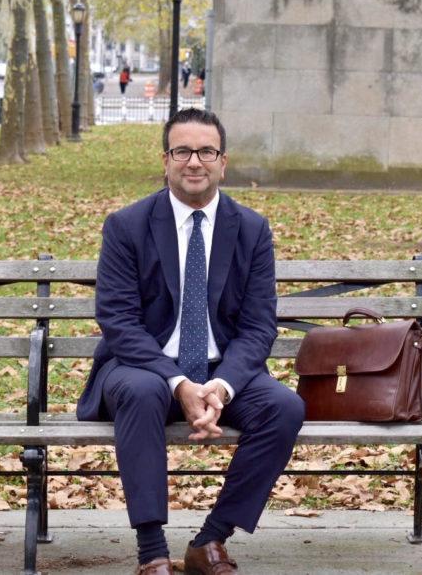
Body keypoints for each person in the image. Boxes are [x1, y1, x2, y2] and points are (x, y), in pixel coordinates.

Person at [77, 108, 305, 575]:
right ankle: (151, 551)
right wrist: (178, 381)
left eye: (206, 151)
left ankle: (210, 540)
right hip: (142, 369)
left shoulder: (251, 229)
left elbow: (259, 326)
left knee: (284, 407)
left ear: (224, 161)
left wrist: (220, 388)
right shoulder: (127, 225)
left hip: (222, 370)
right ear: (165, 161)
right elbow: (118, 322)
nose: (194, 162)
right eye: (182, 151)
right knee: (141, 391)